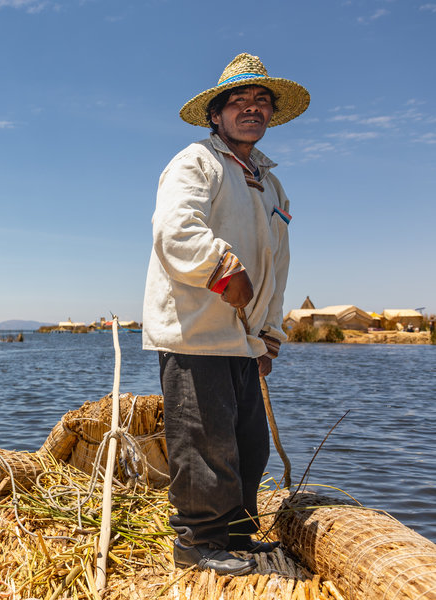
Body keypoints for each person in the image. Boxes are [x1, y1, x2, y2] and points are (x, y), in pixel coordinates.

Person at [141, 53, 309, 576]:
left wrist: (270, 334)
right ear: (216, 116)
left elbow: (276, 265)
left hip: (244, 339)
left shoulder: (270, 183)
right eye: (238, 101)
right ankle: (197, 542)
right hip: (197, 334)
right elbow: (175, 231)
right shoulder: (196, 162)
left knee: (248, 446)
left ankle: (237, 532)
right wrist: (221, 269)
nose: (251, 109)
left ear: (271, 116)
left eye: (261, 101)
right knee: (205, 442)